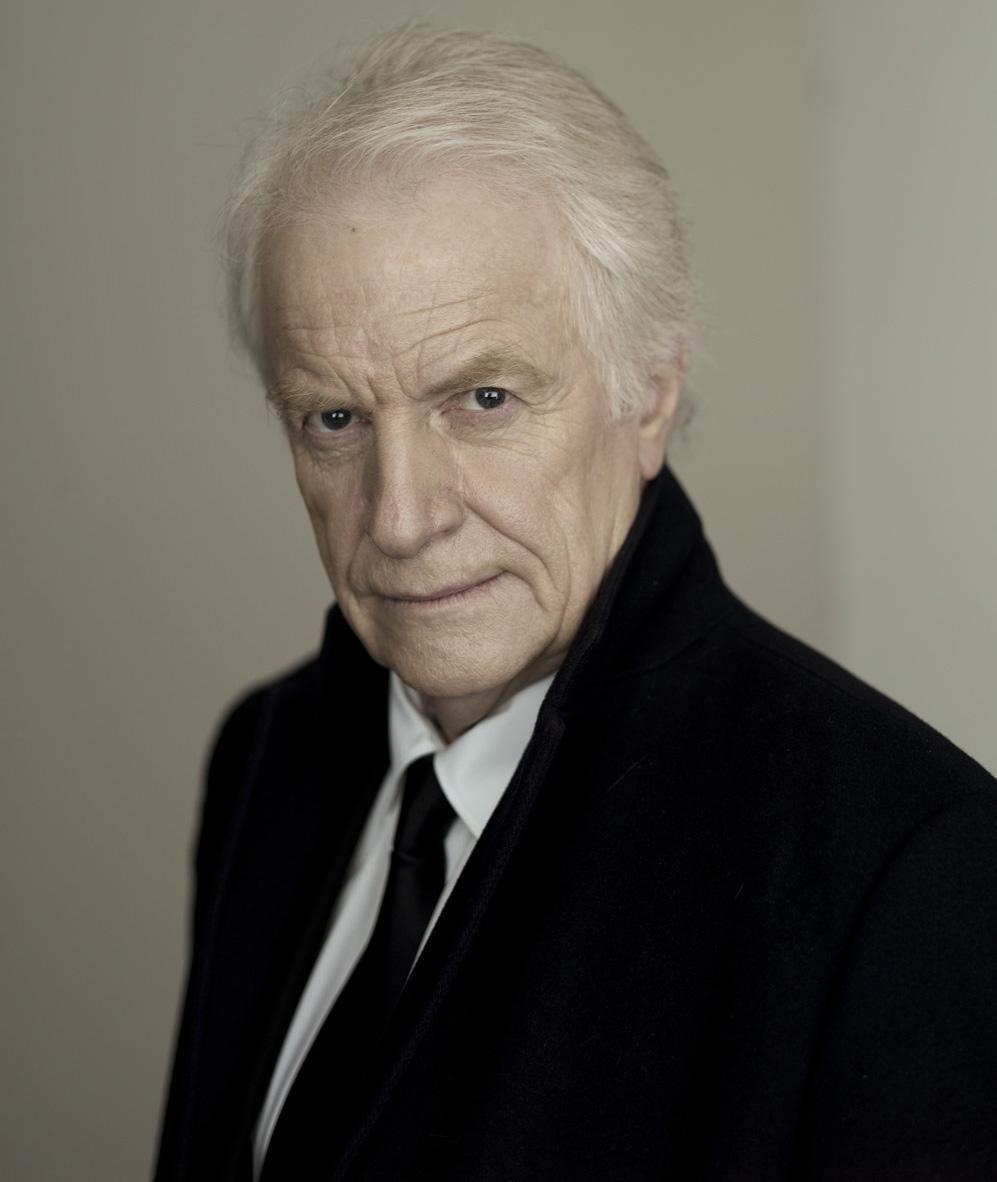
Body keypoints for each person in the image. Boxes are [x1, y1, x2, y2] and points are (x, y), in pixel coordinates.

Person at [153, 25, 997, 1182]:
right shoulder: (268, 753)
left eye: (483, 399)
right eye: (333, 419)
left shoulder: (902, 871)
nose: (399, 517)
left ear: (648, 394)